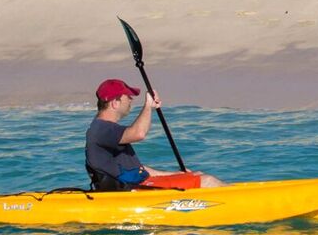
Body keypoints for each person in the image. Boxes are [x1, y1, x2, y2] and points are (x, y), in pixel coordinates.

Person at [85, 78, 222, 190]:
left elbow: (138, 170)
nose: (131, 100)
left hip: (139, 184)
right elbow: (139, 133)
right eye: (128, 97)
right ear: (115, 103)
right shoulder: (103, 129)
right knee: (207, 182)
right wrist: (148, 106)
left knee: (197, 175)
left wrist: (176, 174)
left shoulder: (106, 130)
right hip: (135, 189)